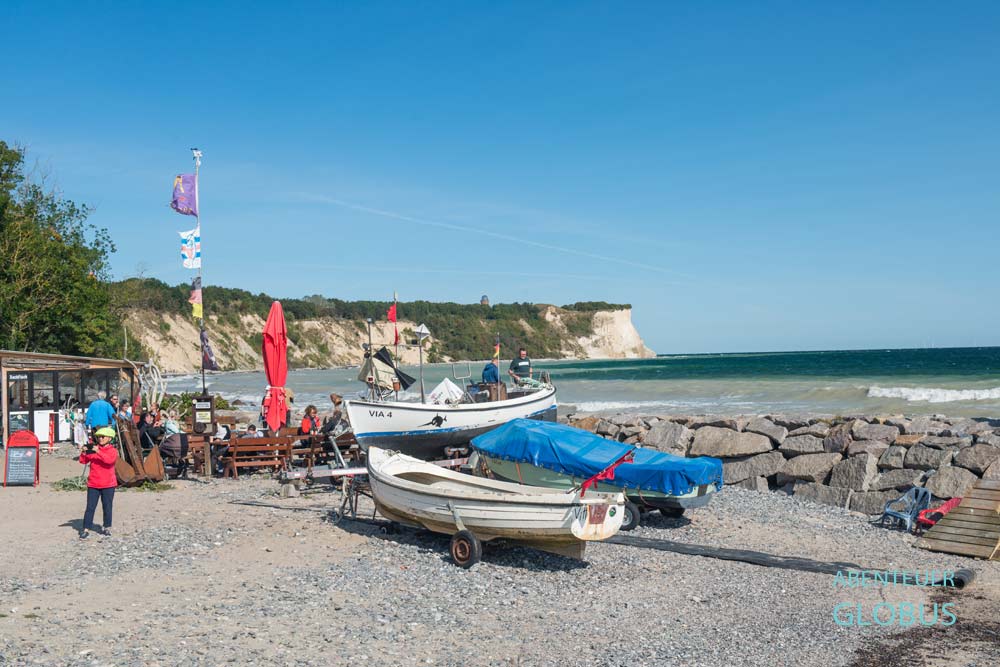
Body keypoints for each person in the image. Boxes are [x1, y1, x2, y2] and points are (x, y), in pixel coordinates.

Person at [78, 427, 119, 539]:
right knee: (90, 507)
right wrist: (83, 452)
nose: (100, 439)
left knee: (107, 506)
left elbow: (109, 461)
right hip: (93, 483)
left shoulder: (112, 450)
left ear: (109, 438)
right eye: (98, 437)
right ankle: (86, 528)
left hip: (108, 484)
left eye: (102, 437)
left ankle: (107, 527)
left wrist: (98, 451)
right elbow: (83, 461)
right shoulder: (94, 449)